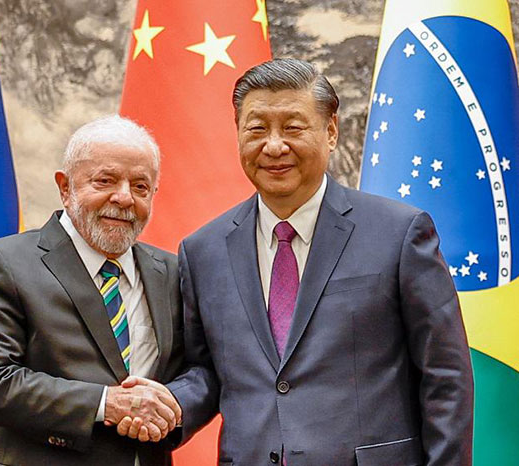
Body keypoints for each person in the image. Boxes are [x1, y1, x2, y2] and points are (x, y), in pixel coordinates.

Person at [122, 58, 474, 465]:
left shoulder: (399, 233)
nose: (274, 146)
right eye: (256, 129)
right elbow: (208, 371)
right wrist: (167, 403)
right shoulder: (203, 250)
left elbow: (445, 376)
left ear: (331, 131)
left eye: (293, 127)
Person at [0, 115, 184, 465]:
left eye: (140, 187)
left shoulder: (171, 272)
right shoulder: (0, 264)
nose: (123, 198)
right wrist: (107, 404)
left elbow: (198, 371)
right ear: (65, 186)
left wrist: (168, 409)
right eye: (105, 180)